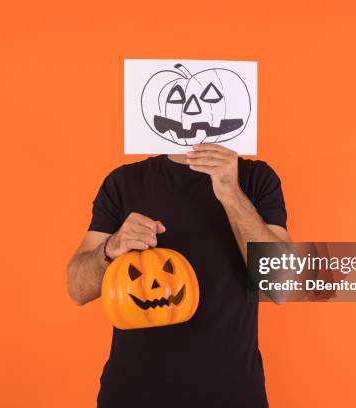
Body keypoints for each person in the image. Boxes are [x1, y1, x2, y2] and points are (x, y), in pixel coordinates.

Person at [67, 144, 289, 407]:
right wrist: (110, 247)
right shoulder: (123, 182)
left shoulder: (257, 178)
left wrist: (231, 193)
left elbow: (281, 286)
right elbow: (77, 289)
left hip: (232, 394)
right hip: (132, 395)